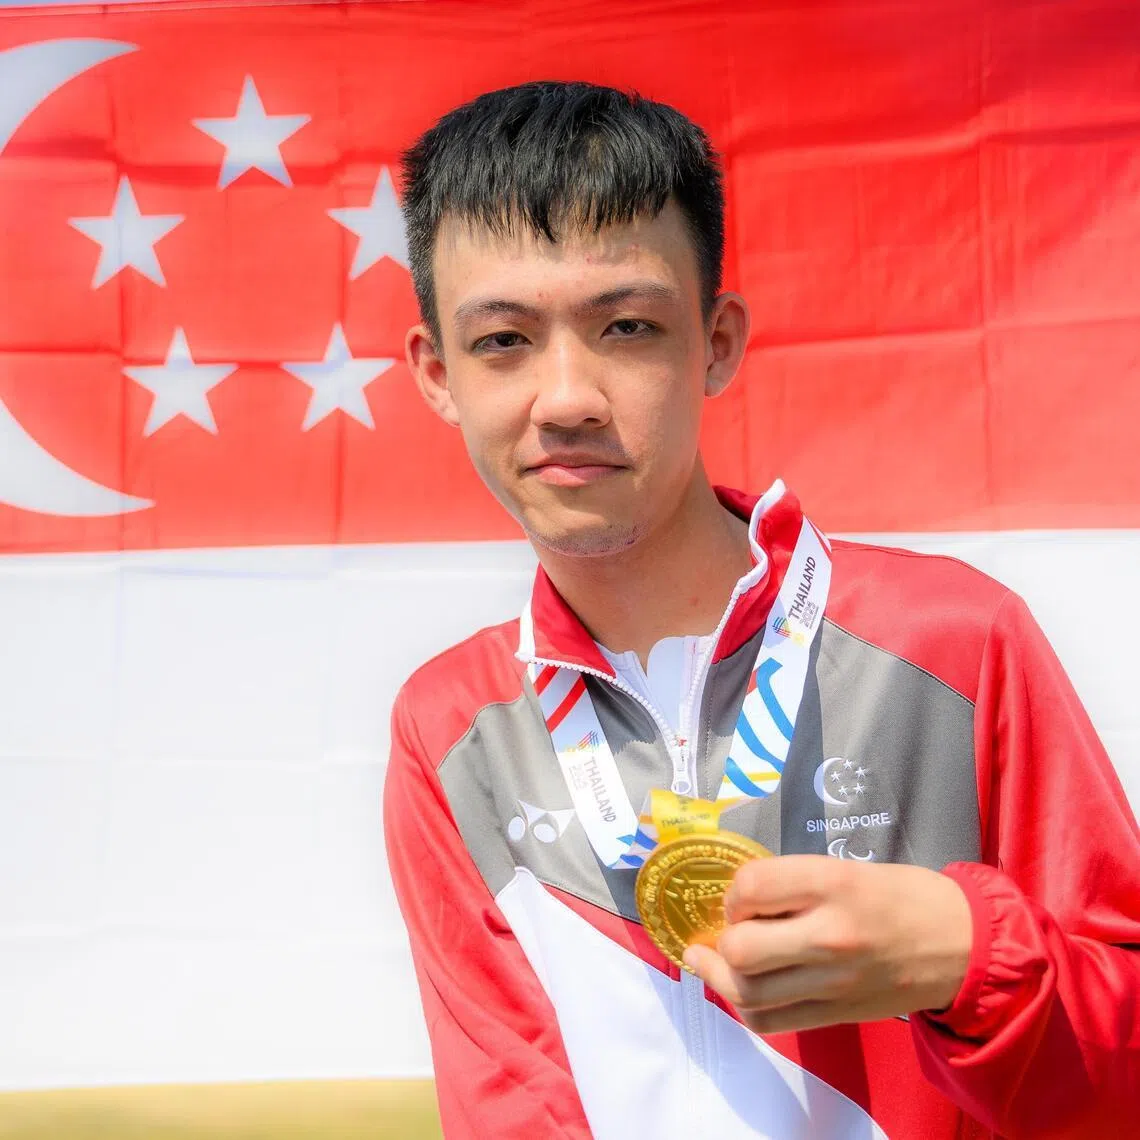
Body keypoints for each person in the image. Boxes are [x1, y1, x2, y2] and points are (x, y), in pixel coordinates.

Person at [383, 81, 1140, 1139]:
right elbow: (508, 1111)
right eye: (503, 340)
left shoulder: (956, 643)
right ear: (437, 374)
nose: (566, 395)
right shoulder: (451, 727)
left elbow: (1123, 1075)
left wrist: (975, 960)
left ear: (718, 341)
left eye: (628, 326)